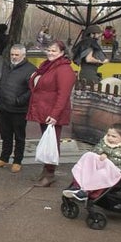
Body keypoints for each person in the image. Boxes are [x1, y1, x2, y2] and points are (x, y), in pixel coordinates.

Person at [26, 40, 77, 187]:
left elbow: (63, 95)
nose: (50, 53)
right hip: (44, 109)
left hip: (53, 112)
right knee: (47, 140)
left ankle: (50, 173)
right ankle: (46, 171)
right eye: (48, 50)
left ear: (62, 52)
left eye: (54, 50)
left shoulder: (64, 70)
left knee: (52, 142)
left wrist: (54, 115)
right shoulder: (46, 66)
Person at [62, 122, 121, 201]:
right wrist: (101, 154)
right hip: (102, 165)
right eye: (108, 135)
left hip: (115, 170)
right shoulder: (104, 142)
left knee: (100, 174)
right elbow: (95, 150)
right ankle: (77, 186)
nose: (110, 138)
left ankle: (86, 191)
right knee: (88, 156)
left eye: (114, 136)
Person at [0, 43, 36, 173]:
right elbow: (1, 83)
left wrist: (19, 101)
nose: (14, 57)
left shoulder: (31, 69)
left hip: (18, 109)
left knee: (19, 136)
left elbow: (32, 90)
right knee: (5, 135)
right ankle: (4, 158)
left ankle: (17, 161)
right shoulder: (6, 66)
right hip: (3, 107)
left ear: (23, 55)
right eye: (12, 54)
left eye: (17, 55)